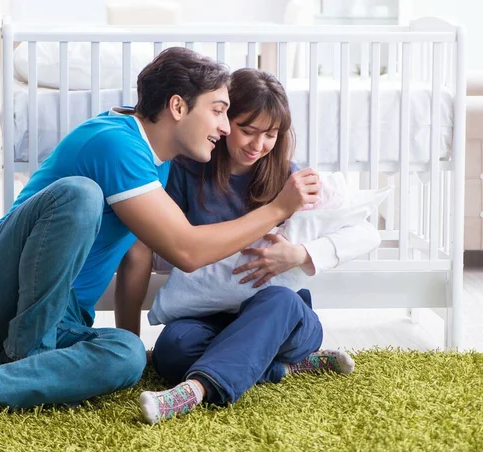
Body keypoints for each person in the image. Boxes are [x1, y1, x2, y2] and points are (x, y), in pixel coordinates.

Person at [0, 48, 321, 429]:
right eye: (219, 110)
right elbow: (186, 251)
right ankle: (28, 356)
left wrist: (129, 335)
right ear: (177, 106)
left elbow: (136, 254)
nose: (225, 127)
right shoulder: (114, 143)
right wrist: (279, 208)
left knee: (128, 355)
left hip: (63, 319)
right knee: (81, 195)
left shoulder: (159, 163)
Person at [113, 68, 378, 424]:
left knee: (280, 301)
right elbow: (148, 243)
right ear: (224, 121)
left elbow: (364, 232)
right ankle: (284, 369)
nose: (258, 145)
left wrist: (299, 254)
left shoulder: (289, 177)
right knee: (172, 351)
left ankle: (193, 392)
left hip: (282, 318)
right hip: (205, 317)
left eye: (270, 135)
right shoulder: (188, 173)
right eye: (247, 131)